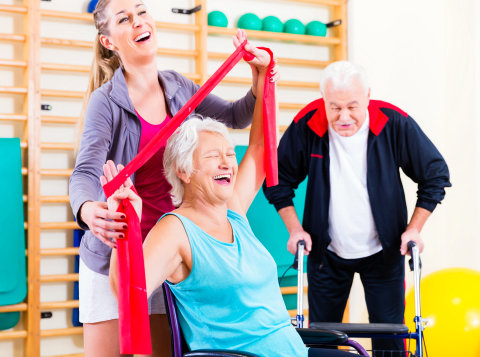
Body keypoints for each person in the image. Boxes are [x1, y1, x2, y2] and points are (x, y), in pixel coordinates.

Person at [68, 0, 275, 356]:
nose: (138, 22)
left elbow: (235, 117)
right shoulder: (106, 102)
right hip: (115, 257)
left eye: (142, 11)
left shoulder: (178, 86)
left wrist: (259, 78)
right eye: (124, 19)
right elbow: (85, 171)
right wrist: (89, 211)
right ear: (109, 42)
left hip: (167, 251)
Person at [103, 69, 358, 356]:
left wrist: (264, 78)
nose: (227, 163)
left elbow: (260, 147)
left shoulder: (232, 212)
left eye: (229, 154)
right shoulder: (176, 230)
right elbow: (128, 293)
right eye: (214, 156)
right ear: (183, 170)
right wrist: (123, 223)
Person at [263, 61, 451, 355]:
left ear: (367, 97)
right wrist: (295, 229)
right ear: (323, 99)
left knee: (390, 339)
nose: (344, 117)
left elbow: (435, 175)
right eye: (334, 107)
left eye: (352, 106)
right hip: (327, 254)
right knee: (322, 339)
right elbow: (276, 180)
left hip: (384, 252)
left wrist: (414, 229)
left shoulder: (393, 123)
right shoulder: (308, 123)